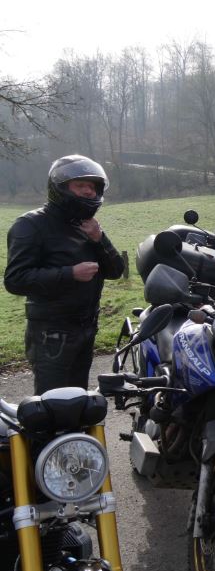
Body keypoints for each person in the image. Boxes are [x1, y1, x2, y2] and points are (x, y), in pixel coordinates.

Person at [4, 155, 125, 394]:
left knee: (78, 398)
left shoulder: (87, 226)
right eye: (80, 185)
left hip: (86, 328)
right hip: (51, 333)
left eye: (93, 187)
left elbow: (115, 270)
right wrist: (69, 274)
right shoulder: (30, 225)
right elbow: (15, 280)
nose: (89, 191)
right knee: (53, 402)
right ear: (60, 188)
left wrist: (99, 239)